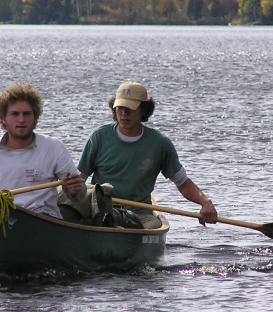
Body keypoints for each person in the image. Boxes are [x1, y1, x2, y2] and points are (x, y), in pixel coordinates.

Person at [78, 81, 218, 229]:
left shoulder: (160, 143)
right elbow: (78, 180)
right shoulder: (98, 137)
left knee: (151, 226)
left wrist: (205, 202)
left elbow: (182, 183)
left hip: (140, 214)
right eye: (120, 107)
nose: (124, 113)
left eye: (130, 108)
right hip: (102, 209)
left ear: (144, 110)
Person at [0, 82, 83, 218]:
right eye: (15, 114)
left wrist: (75, 189)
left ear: (35, 117)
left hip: (43, 217)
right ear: (3, 118)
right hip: (1, 216)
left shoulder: (54, 148)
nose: (21, 120)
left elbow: (77, 192)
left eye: (26, 114)